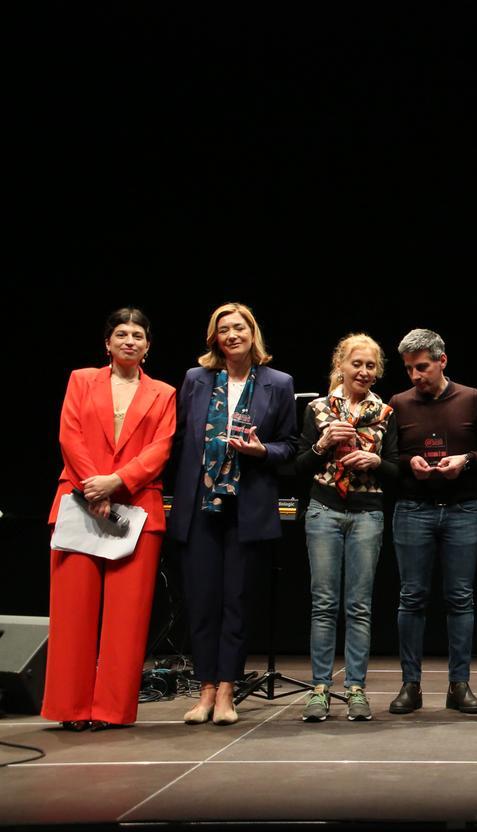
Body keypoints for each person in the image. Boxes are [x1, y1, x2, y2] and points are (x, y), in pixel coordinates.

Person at [43, 308, 176, 731]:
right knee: (73, 615)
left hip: (135, 507)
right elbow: (70, 436)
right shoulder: (81, 380)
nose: (129, 341)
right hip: (79, 502)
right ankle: (71, 709)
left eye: (138, 334)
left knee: (127, 619)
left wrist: (116, 482)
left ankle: (111, 711)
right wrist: (91, 486)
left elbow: (161, 447)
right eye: (121, 333)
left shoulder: (164, 392)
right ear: (108, 343)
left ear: (148, 345)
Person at [169, 303, 297, 725]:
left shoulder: (278, 383)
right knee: (203, 601)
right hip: (201, 506)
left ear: (252, 332)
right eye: (223, 329)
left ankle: (227, 692)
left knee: (237, 602)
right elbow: (181, 439)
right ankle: (205, 690)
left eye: (239, 327)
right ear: (214, 338)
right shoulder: (196, 379)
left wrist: (262, 450)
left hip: (248, 506)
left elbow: (290, 446)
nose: (231, 335)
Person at [388, 329, 477, 715]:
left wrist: (465, 461)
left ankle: (459, 684)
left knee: (460, 598)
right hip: (413, 509)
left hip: (462, 510)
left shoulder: (470, 398)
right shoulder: (398, 403)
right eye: (409, 369)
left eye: (422, 367)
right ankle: (410, 685)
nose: (415, 376)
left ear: (442, 361)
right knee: (412, 598)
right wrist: (409, 463)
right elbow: (390, 455)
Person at [295, 334, 398, 722]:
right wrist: (322, 445)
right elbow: (297, 467)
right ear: (341, 365)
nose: (364, 371)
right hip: (324, 510)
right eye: (357, 363)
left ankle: (356, 688)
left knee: (359, 607)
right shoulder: (318, 410)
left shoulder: (386, 413)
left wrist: (374, 462)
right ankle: (320, 690)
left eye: (371, 365)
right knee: (323, 605)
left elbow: (398, 470)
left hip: (367, 514)